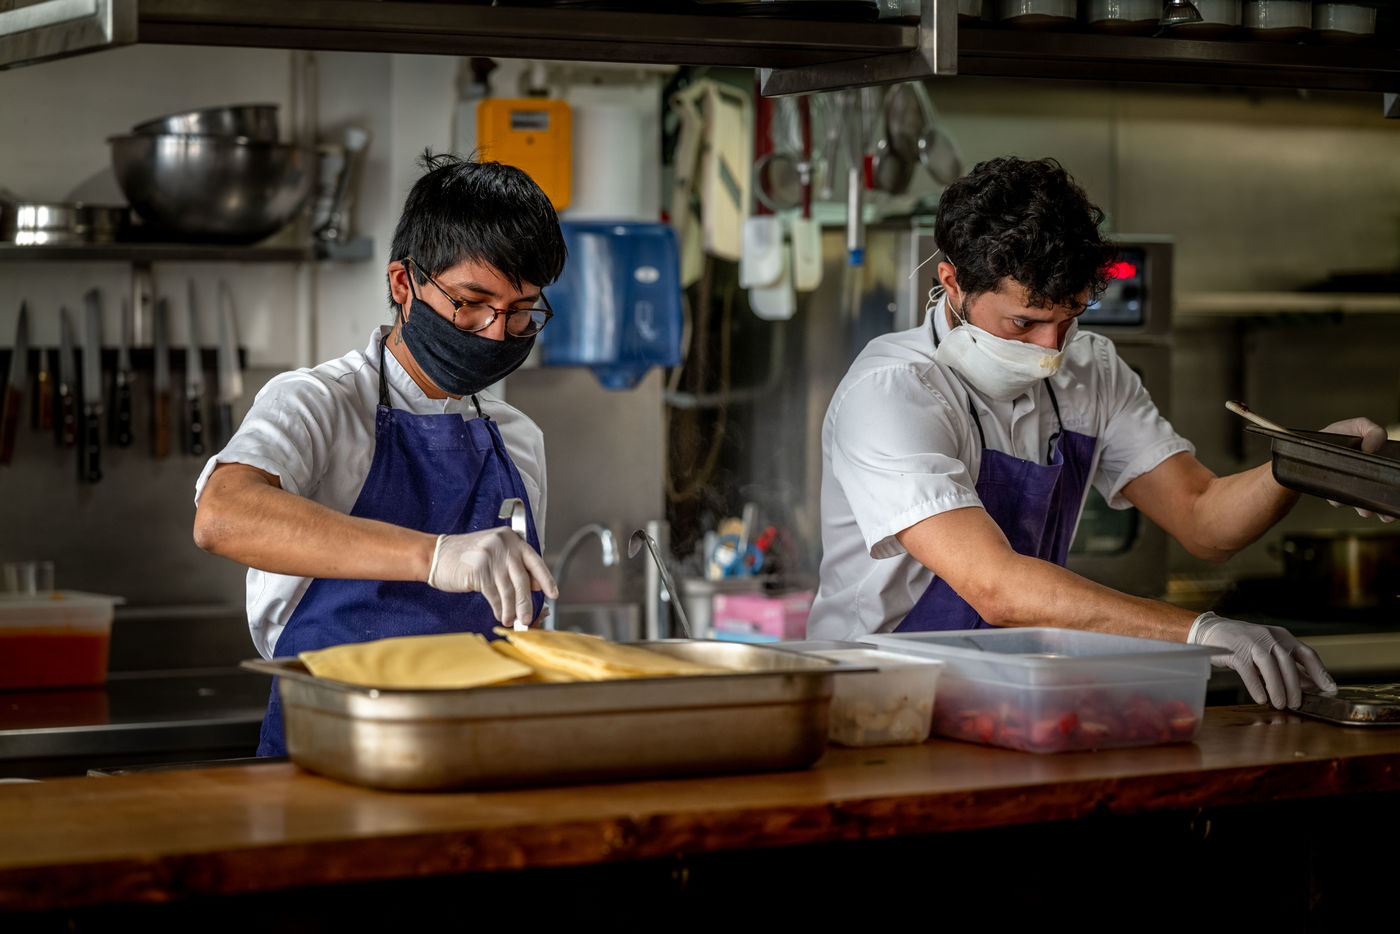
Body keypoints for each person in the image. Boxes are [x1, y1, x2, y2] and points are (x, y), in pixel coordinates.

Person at [808, 155, 1391, 711]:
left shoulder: (1092, 371)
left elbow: (1203, 519)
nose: (1050, 351)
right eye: (1025, 322)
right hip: (878, 705)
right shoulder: (894, 392)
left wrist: (1301, 464)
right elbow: (996, 587)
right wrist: (1199, 631)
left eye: (1070, 319)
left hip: (1002, 696)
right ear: (953, 284)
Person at [193, 152, 564, 755]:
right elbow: (223, 516)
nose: (497, 333)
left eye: (520, 312)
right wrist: (434, 557)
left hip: (479, 754)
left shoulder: (517, 438)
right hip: (327, 750)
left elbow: (521, 620)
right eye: (471, 302)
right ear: (403, 284)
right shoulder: (318, 402)